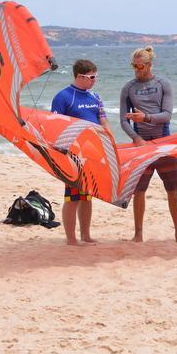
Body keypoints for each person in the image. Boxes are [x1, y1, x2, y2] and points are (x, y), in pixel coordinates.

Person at [119, 46, 177, 244]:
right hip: (141, 145)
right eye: (134, 66)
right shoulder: (128, 88)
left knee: (172, 189)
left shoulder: (163, 84)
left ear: (150, 64)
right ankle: (138, 234)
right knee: (139, 191)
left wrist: (145, 117)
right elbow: (124, 121)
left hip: (164, 142)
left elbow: (166, 115)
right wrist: (136, 139)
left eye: (141, 66)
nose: (137, 69)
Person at [51, 59, 112, 245]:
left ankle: (85, 235)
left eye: (96, 76)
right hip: (72, 155)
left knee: (87, 195)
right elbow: (55, 127)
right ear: (80, 76)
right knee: (72, 197)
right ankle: (71, 238)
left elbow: (104, 121)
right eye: (92, 77)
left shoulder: (95, 97)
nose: (95, 80)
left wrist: (109, 143)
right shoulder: (63, 97)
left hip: (92, 153)